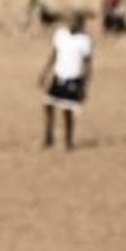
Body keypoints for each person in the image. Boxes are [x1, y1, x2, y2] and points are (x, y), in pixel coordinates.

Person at [39, 13, 94, 150]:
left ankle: (68, 140)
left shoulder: (84, 40)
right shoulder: (60, 35)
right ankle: (49, 135)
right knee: (48, 104)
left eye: (75, 22)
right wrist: (45, 72)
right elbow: (54, 54)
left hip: (74, 78)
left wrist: (85, 85)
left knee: (67, 110)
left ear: (80, 24)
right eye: (69, 21)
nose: (71, 24)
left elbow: (88, 64)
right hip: (59, 76)